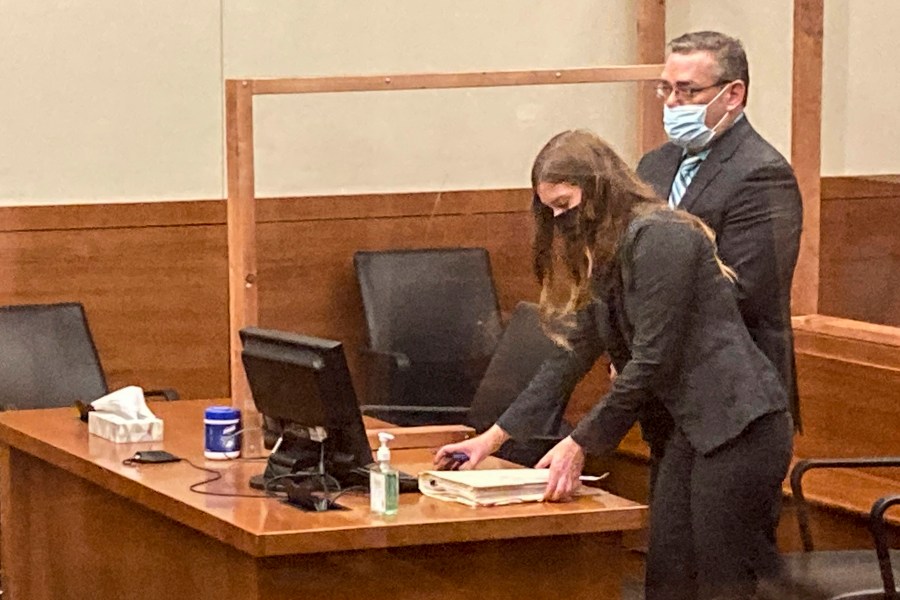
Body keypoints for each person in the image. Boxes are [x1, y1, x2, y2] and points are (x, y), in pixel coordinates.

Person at [435, 130, 793, 599]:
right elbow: (571, 354)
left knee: (719, 584)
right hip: (692, 429)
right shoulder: (612, 249)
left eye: (566, 204)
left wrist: (580, 441)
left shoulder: (661, 236)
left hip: (739, 426)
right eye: (552, 212)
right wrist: (494, 437)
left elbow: (652, 360)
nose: (561, 220)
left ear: (599, 187)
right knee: (667, 577)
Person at [637, 31, 803, 432]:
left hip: (735, 397)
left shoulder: (763, 173)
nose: (673, 103)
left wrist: (646, 331)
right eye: (666, 89)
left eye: (688, 90)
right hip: (665, 394)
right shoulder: (654, 165)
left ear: (733, 95)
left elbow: (743, 290)